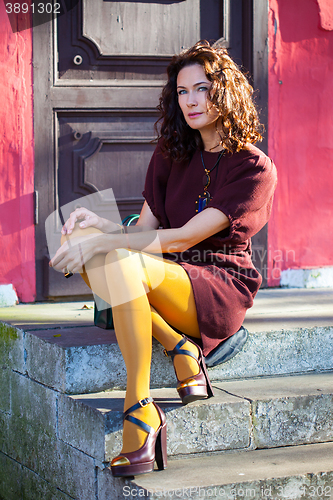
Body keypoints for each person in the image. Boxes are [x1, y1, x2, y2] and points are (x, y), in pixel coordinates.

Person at [49, 40, 277, 478]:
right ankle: (176, 344)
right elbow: (143, 235)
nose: (190, 100)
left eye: (202, 89)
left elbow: (185, 238)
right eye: (182, 91)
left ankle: (139, 408)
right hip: (162, 270)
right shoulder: (173, 153)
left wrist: (103, 245)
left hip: (216, 287)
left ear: (226, 92)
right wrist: (97, 229)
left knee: (113, 257)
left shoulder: (254, 167)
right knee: (91, 237)